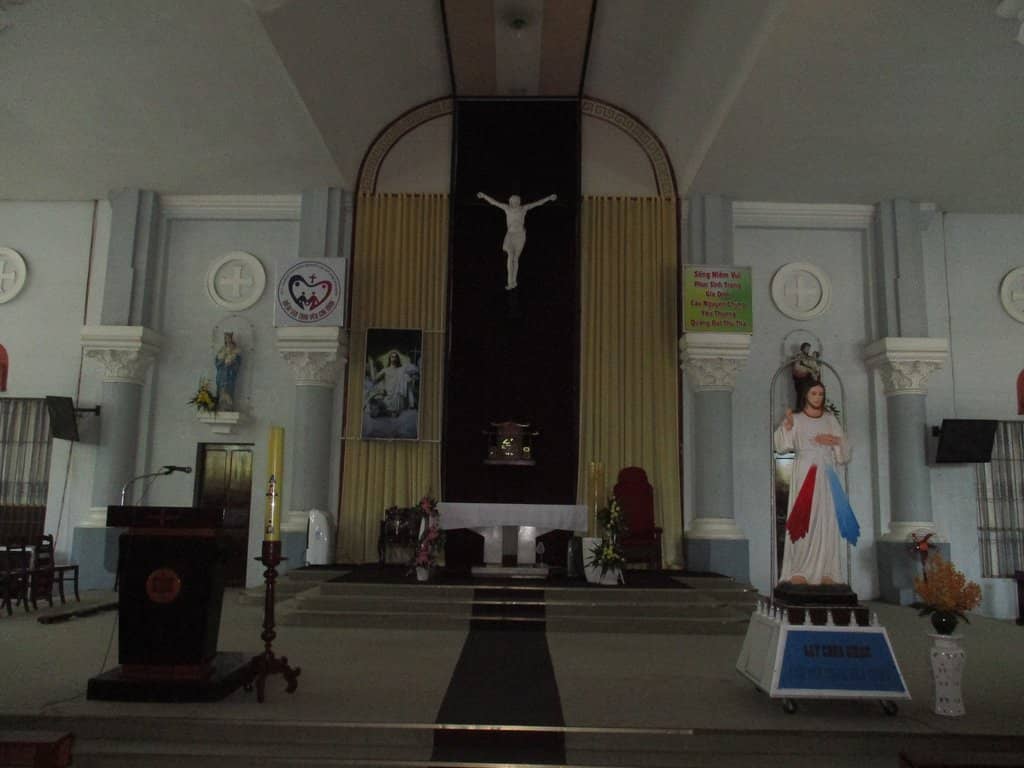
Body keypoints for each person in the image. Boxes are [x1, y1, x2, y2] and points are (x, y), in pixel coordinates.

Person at [773, 380, 859, 585]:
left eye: (821, 394)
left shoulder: (830, 420)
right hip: (805, 470)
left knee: (827, 519)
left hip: (827, 472)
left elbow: (844, 452)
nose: (818, 397)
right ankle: (799, 569)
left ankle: (827, 570)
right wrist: (787, 427)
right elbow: (782, 445)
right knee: (805, 518)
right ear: (806, 396)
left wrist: (835, 442)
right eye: (814, 393)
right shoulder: (796, 418)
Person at [477, 191, 557, 290]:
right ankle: (510, 281)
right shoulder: (507, 208)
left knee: (515, 258)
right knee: (510, 256)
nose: (514, 203)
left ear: (519, 202)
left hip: (519, 236)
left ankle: (514, 281)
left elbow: (537, 203)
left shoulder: (523, 209)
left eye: (516, 201)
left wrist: (549, 198)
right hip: (510, 235)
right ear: (510, 202)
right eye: (513, 201)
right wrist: (484, 196)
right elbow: (494, 202)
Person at [367, 350, 418, 417]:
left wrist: (411, 376)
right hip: (388, 397)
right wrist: (371, 364)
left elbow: (415, 370)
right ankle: (388, 412)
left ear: (398, 359)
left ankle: (391, 412)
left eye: (395, 357)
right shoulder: (385, 370)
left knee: (394, 407)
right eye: (392, 357)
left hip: (397, 397)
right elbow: (374, 380)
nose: (394, 358)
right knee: (377, 404)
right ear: (390, 359)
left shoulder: (402, 369)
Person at [214, 331, 242, 409]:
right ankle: (220, 404)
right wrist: (222, 360)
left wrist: (232, 362)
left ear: (231, 339)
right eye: (226, 338)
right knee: (220, 387)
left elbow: (238, 362)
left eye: (229, 338)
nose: (228, 340)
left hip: (230, 373)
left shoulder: (236, 350)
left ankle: (228, 405)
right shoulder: (221, 350)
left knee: (228, 387)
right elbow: (217, 363)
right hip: (221, 372)